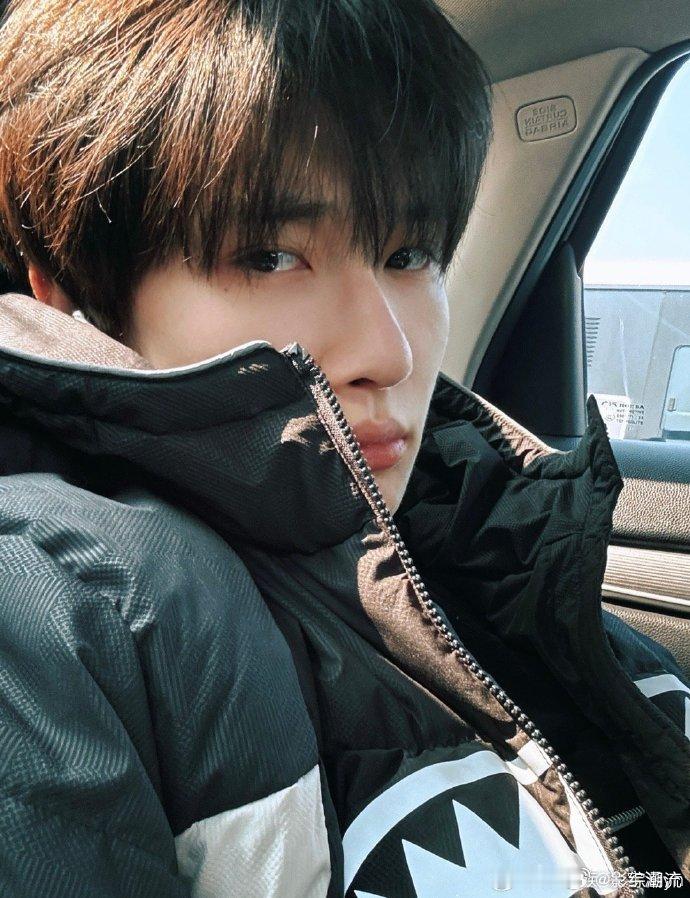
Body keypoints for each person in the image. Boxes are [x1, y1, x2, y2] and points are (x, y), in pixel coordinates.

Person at [0, 0, 687, 895]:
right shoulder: (53, 612)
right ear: (72, 297)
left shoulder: (520, 567)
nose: (389, 352)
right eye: (270, 256)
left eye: (410, 253)